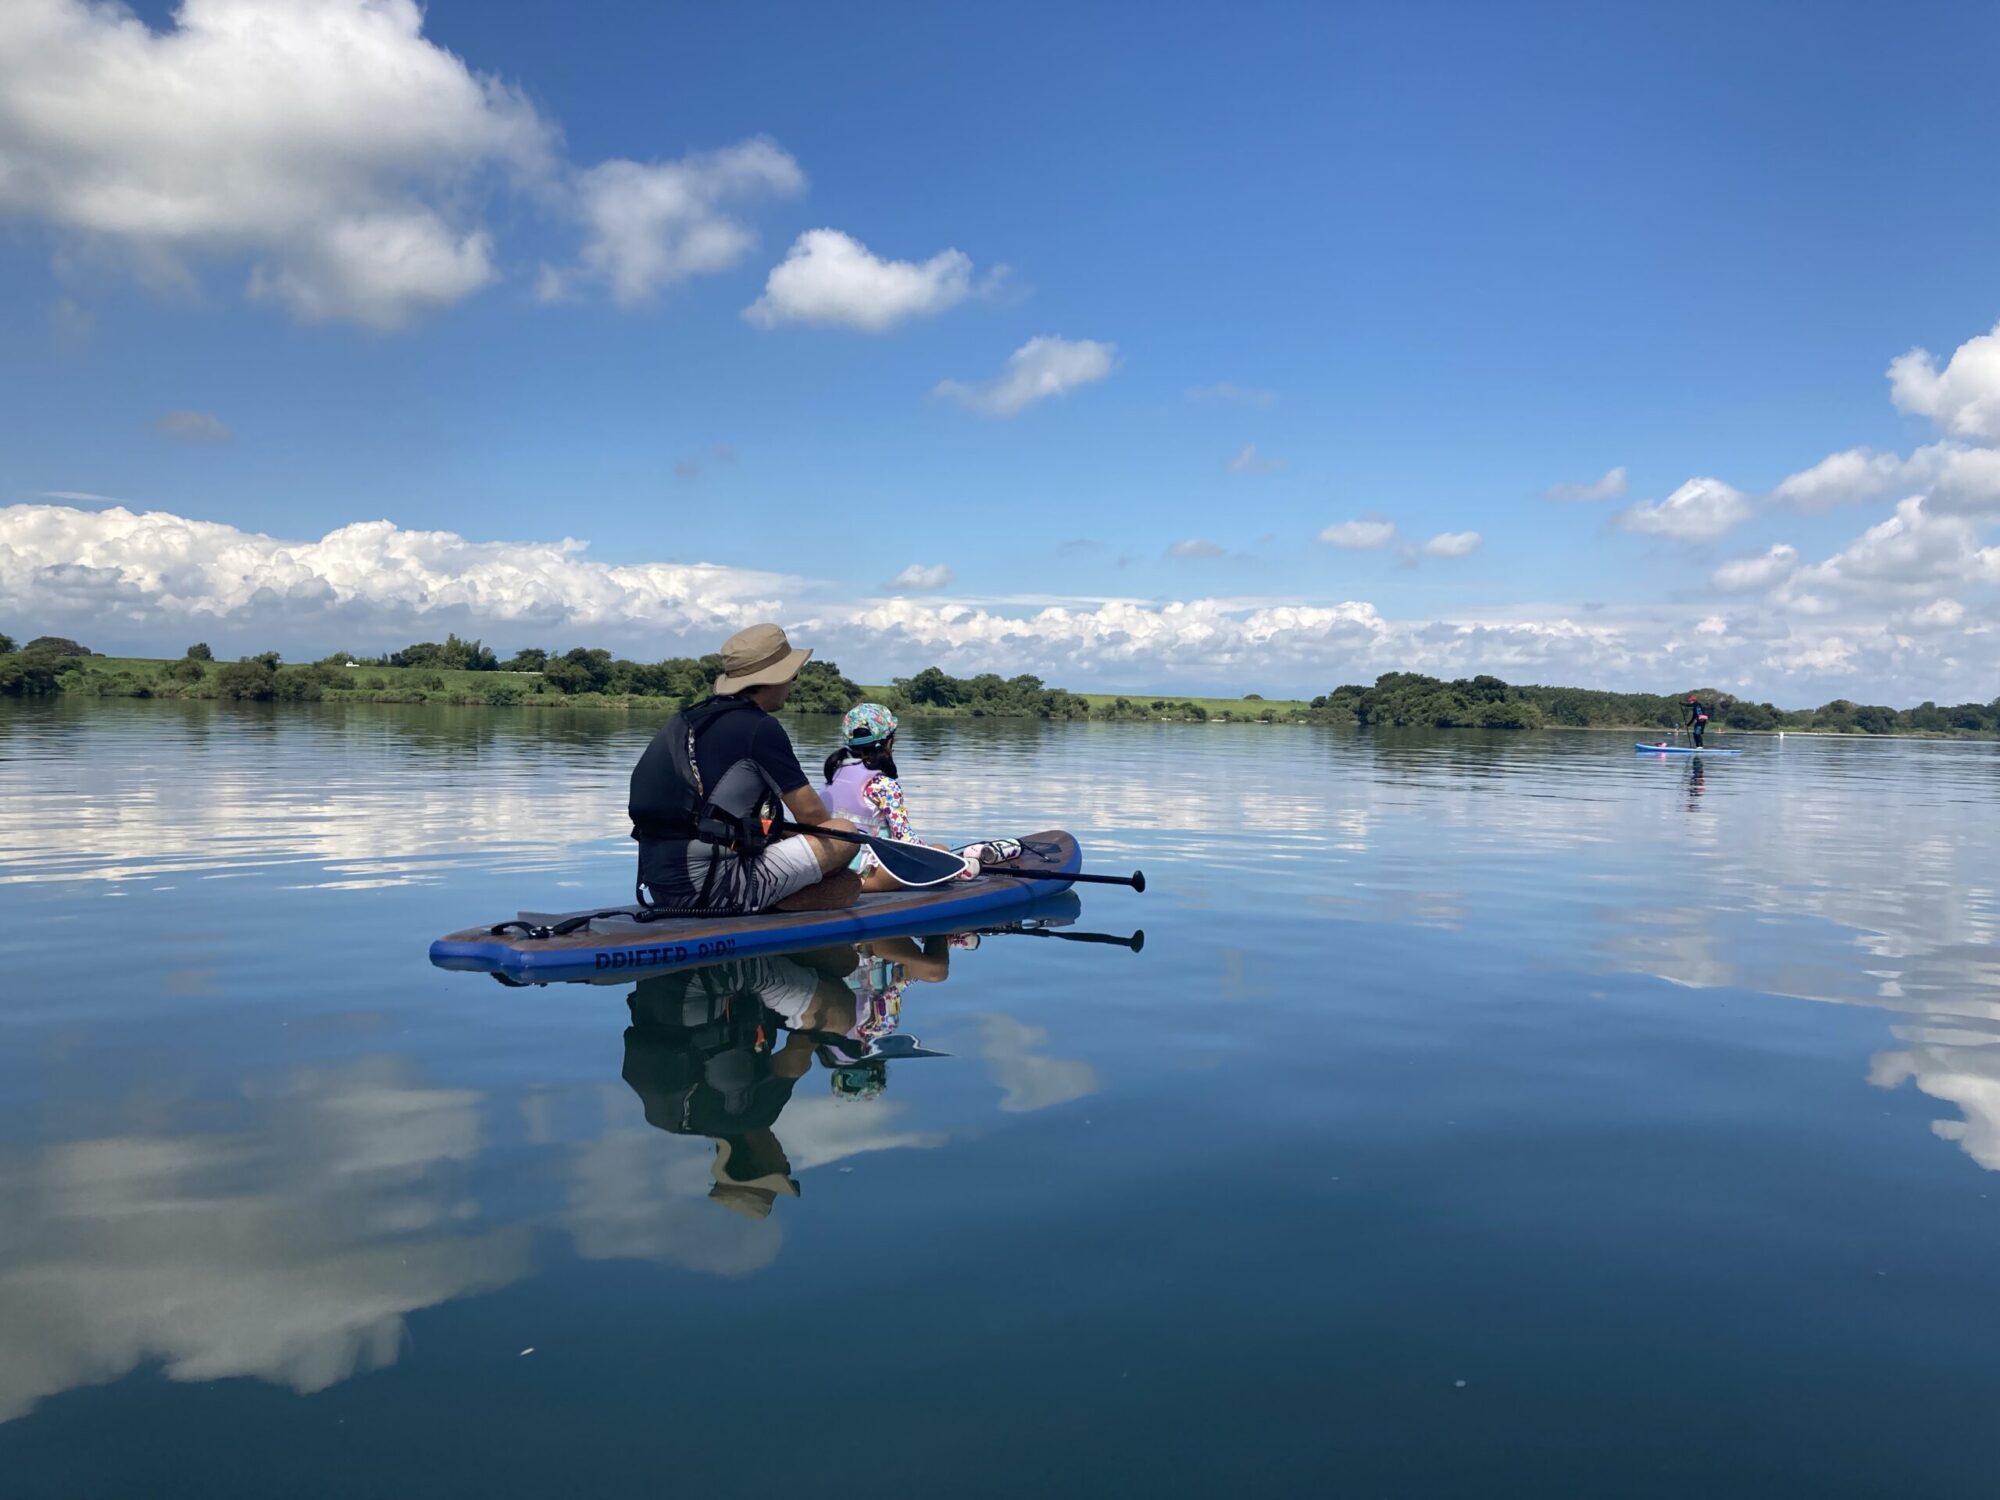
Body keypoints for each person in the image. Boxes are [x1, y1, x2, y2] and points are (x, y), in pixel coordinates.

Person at [627, 623, 859, 914]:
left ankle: (763, 898)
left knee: (831, 871)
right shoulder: (760, 728)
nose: (793, 683)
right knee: (843, 837)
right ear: (776, 678)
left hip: (660, 883)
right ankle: (759, 906)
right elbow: (814, 818)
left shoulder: (692, 718)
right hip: (710, 888)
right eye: (793, 675)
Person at [819, 702, 1020, 892]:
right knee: (940, 849)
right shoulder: (883, 785)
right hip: (865, 875)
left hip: (832, 866)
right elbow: (906, 840)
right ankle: (959, 866)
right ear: (889, 742)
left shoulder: (833, 774)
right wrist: (934, 853)